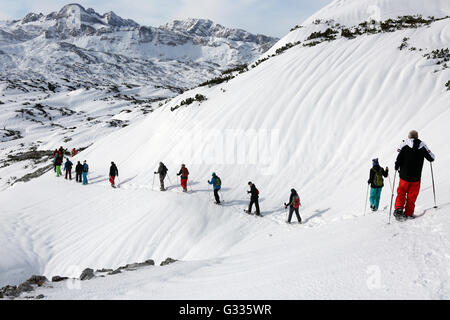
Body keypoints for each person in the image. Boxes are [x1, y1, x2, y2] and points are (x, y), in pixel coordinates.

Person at [394, 130, 435, 220]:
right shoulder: (422, 146)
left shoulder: (404, 145)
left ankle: (399, 209)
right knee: (412, 196)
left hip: (404, 176)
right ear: (417, 137)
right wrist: (426, 148)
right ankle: (408, 213)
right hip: (416, 177)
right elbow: (431, 158)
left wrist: (396, 167)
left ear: (409, 137)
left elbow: (398, 158)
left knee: (401, 192)